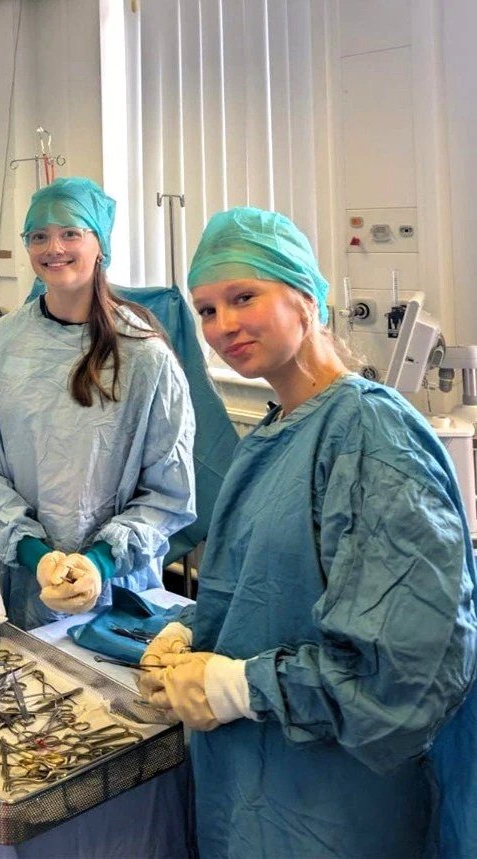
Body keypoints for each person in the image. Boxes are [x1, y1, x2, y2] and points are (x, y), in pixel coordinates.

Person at [140, 206, 477, 857]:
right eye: (206, 310)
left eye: (243, 296)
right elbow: (262, 589)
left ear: (304, 296)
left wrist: (239, 685)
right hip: (258, 793)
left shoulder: (369, 434)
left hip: (341, 807)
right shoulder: (272, 431)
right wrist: (194, 632)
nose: (221, 326)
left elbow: (408, 670)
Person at [0, 177, 197, 630]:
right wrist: (34, 555)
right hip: (16, 575)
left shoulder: (145, 355)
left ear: (100, 244)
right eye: (38, 236)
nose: (54, 247)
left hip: (116, 590)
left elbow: (168, 490)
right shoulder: (1, 344)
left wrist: (100, 563)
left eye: (71, 233)